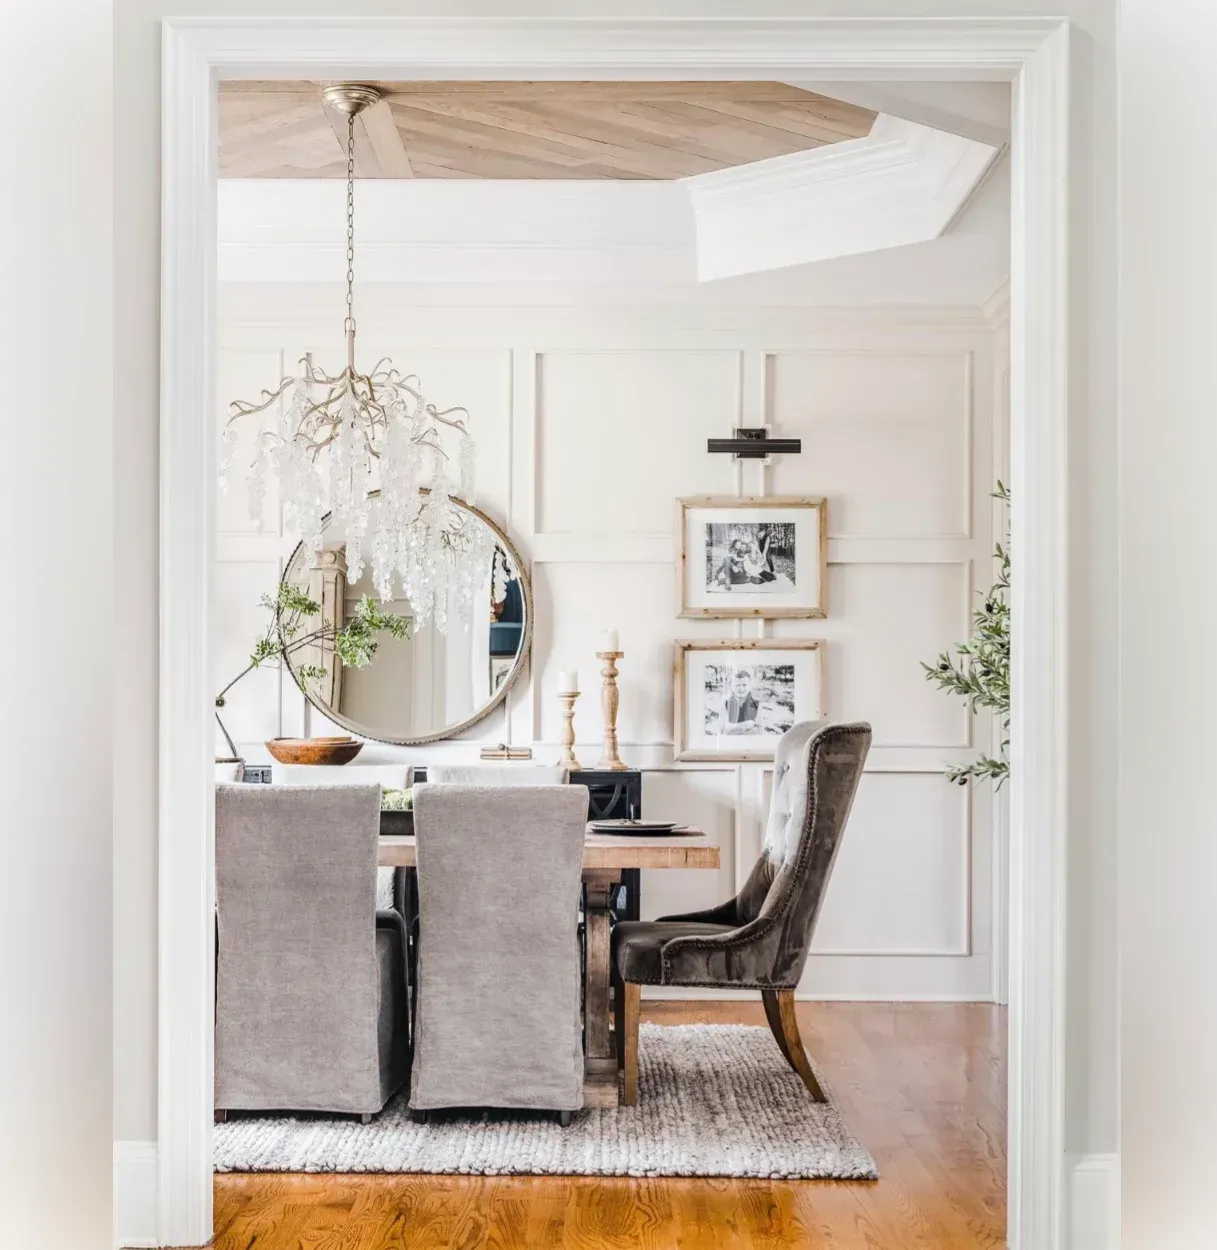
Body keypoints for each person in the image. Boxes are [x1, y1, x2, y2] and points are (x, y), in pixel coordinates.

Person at [722, 668, 759, 734]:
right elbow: (723, 730)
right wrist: (745, 725)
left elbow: (758, 731)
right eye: (737, 685)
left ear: (750, 685)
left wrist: (732, 728)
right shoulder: (725, 703)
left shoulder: (757, 705)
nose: (740, 688)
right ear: (732, 686)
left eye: (744, 685)